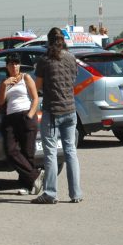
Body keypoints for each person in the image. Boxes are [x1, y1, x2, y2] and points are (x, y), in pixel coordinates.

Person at [33, 27, 83, 204]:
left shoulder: (44, 60)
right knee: (71, 151)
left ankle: (50, 193)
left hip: (52, 111)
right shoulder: (71, 58)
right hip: (70, 110)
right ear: (63, 40)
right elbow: (73, 79)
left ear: (49, 41)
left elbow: (38, 85)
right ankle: (76, 193)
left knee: (51, 153)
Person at [0, 57, 43, 195]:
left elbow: (35, 98)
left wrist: (30, 114)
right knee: (11, 151)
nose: (14, 66)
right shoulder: (5, 82)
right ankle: (35, 176)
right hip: (11, 118)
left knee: (27, 152)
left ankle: (27, 185)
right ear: (7, 66)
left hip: (26, 115)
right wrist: (4, 85)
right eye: (11, 64)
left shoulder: (26, 77)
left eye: (17, 63)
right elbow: (0, 102)